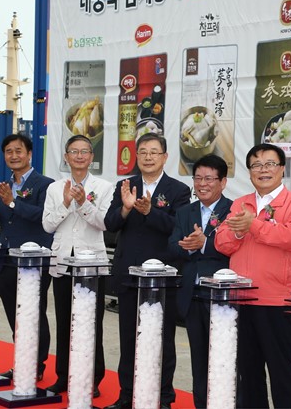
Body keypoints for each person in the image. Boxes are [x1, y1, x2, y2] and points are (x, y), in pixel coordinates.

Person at [215, 143, 291, 409]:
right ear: (249, 172)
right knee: (248, 372)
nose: (263, 170)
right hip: (241, 299)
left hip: (277, 301)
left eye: (269, 164)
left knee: (281, 371)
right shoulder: (240, 203)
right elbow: (221, 243)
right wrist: (238, 231)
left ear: (282, 169)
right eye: (256, 165)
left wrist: (253, 226)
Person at [104, 134, 191, 409]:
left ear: (165, 157)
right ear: (136, 157)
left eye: (154, 152)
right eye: (143, 152)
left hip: (162, 278)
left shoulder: (179, 190)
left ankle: (163, 397)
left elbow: (178, 228)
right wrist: (126, 209)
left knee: (162, 340)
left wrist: (149, 212)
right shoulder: (125, 185)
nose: (148, 157)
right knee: (129, 338)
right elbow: (110, 223)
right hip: (129, 274)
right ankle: (127, 395)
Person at [0, 133, 54, 380]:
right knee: (14, 315)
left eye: (18, 151)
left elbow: (43, 217)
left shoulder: (45, 185)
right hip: (5, 260)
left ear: (29, 154)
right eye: (9, 151)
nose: (14, 155)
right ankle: (22, 361)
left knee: (33, 314)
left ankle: (36, 366)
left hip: (33, 262)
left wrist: (13, 201)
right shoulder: (4, 186)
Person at [41, 135, 113, 397]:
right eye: (74, 151)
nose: (79, 156)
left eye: (84, 152)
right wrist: (65, 203)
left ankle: (92, 378)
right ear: (66, 157)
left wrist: (83, 203)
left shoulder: (105, 187)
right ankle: (64, 376)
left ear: (92, 157)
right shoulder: (54, 188)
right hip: (62, 262)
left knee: (91, 323)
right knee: (64, 321)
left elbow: (104, 222)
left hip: (91, 265)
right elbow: (47, 225)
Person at [167, 154, 232, 409]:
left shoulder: (233, 210)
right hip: (192, 295)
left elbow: (233, 249)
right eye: (198, 178)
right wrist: (190, 246)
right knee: (199, 359)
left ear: (222, 182)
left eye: (209, 179)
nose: (202, 184)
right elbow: (172, 246)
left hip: (222, 297)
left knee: (224, 359)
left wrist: (205, 244)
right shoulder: (186, 212)